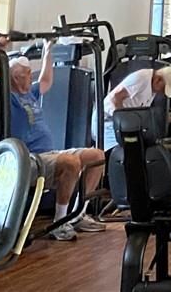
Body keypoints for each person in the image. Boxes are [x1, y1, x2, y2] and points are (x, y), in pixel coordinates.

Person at [6, 50, 106, 241]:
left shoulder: (30, 94)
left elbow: (46, 80)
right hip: (28, 159)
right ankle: (60, 222)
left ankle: (77, 215)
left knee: (97, 156)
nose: (30, 77)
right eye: (26, 74)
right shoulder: (8, 97)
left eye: (30, 73)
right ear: (15, 78)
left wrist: (48, 50)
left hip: (48, 154)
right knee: (70, 162)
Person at [105, 65, 171, 143]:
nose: (162, 92)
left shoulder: (152, 88)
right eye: (163, 87)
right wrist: (124, 123)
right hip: (108, 120)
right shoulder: (142, 78)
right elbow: (116, 97)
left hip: (123, 122)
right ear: (158, 79)